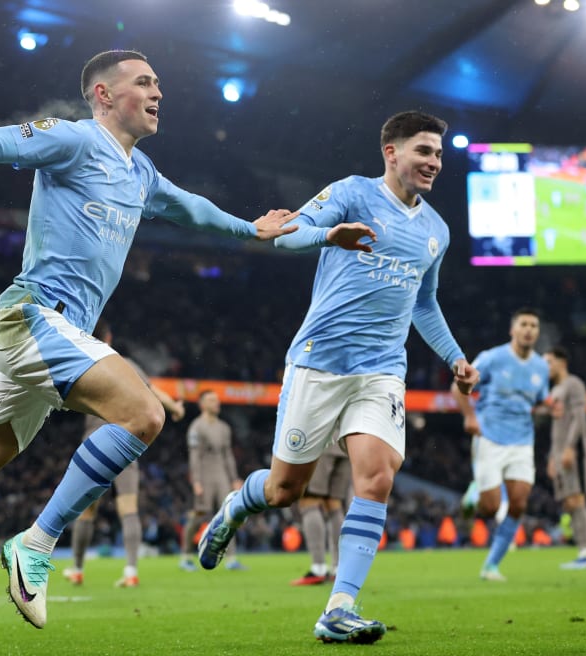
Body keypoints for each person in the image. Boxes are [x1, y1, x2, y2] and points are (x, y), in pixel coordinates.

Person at [0, 49, 297, 656]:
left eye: (159, 82)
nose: (158, 91)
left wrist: (253, 229)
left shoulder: (139, 173)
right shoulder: (73, 140)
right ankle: (36, 543)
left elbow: (194, 209)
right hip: (30, 318)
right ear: (103, 95)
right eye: (144, 82)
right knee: (145, 413)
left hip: (58, 342)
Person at [196, 110, 479, 644]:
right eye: (423, 151)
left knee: (376, 478)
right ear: (391, 153)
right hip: (319, 362)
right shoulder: (352, 192)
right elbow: (285, 237)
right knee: (284, 490)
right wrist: (332, 235)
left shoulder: (436, 230)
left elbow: (425, 303)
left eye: (438, 154)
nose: (434, 162)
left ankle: (339, 606)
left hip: (382, 371)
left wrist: (455, 358)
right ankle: (235, 506)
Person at [62, 318, 185, 588]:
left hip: (94, 445)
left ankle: (78, 568)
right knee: (128, 509)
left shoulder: (81, 362)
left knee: (86, 511)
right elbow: (152, 391)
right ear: (110, 336)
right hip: (123, 443)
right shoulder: (124, 363)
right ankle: (131, 571)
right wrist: (175, 408)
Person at [451, 308, 550, 582]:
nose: (529, 329)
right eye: (524, 324)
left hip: (522, 442)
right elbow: (457, 385)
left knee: (518, 504)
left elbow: (539, 400)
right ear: (513, 330)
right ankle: (474, 496)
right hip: (490, 438)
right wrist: (470, 416)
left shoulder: (541, 367)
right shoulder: (493, 358)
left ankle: (491, 565)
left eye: (534, 325)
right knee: (491, 508)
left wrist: (552, 409)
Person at [178, 390, 245, 572]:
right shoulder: (196, 427)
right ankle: (185, 556)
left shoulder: (224, 428)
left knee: (230, 514)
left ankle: (231, 558)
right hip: (205, 474)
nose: (216, 403)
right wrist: (196, 481)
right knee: (199, 515)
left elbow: (228, 455)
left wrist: (234, 478)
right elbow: (195, 456)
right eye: (211, 400)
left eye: (217, 400)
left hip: (222, 474)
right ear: (202, 404)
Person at [544, 346, 586, 569]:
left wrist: (569, 447)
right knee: (569, 502)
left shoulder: (573, 384)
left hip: (573, 451)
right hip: (559, 452)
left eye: (549, 362)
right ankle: (582, 551)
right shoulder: (556, 389)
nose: (546, 367)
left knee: (577, 499)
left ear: (562, 362)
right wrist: (552, 457)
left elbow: (579, 418)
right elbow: (557, 427)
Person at [290, 442, 349, 585]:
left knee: (309, 501)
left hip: (321, 442)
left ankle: (318, 568)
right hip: (345, 446)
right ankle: (338, 568)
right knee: (334, 504)